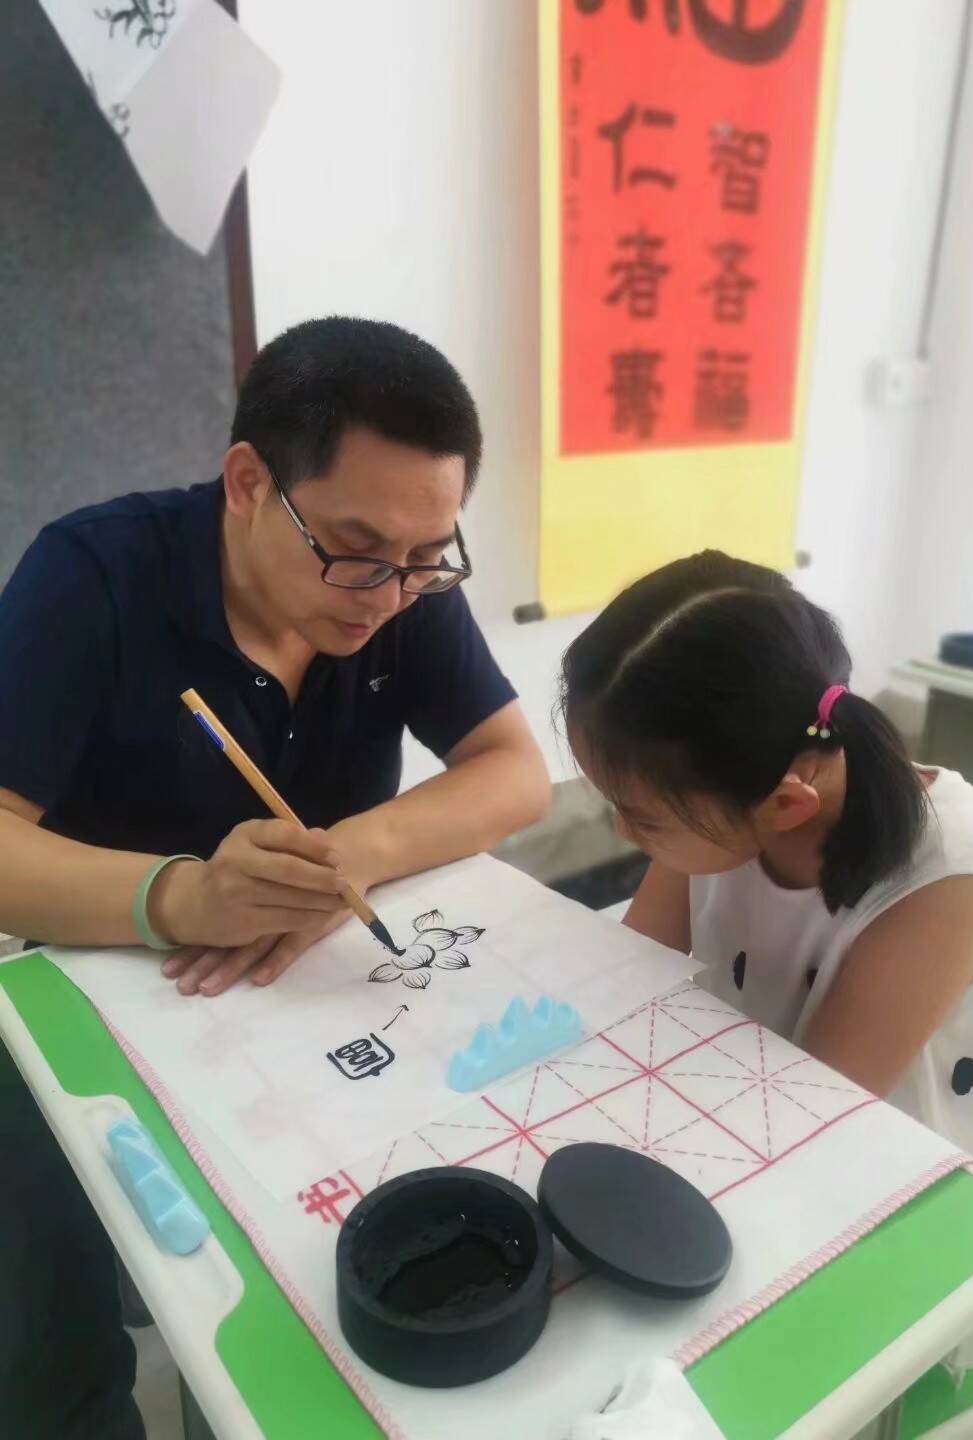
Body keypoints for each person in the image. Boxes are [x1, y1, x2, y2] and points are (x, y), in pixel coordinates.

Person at [0, 316, 550, 1437]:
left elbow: (515, 772)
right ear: (249, 482)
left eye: (425, 556)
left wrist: (354, 852)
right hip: (104, 990)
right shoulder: (93, 574)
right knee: (42, 1337)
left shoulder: (396, 582)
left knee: (294, 1313)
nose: (384, 593)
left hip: (301, 1003)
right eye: (353, 548)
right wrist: (179, 897)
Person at [561, 550, 973, 1231]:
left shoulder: (944, 878)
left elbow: (810, 1118)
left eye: (641, 817)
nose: (623, 832)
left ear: (786, 805)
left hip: (919, 1189)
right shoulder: (731, 789)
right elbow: (633, 981)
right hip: (751, 1111)